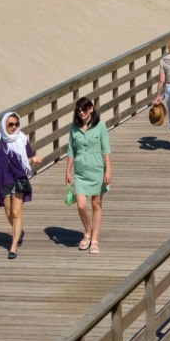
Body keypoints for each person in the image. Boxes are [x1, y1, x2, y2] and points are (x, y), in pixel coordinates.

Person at [0, 111, 41, 259]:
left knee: (16, 212)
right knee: (8, 212)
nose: (14, 127)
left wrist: (34, 159)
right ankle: (17, 232)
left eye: (16, 124)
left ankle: (13, 247)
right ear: (4, 124)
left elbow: (28, 158)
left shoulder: (22, 139)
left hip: (19, 178)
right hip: (2, 179)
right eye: (10, 124)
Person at [66, 97, 112, 254]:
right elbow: (71, 151)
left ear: (91, 109)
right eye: (78, 111)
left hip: (97, 169)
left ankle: (94, 240)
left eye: (84, 109)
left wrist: (108, 170)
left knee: (96, 204)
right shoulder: (74, 128)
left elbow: (106, 150)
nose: (81, 113)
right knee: (81, 204)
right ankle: (88, 230)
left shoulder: (100, 126)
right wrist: (68, 170)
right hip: (80, 172)